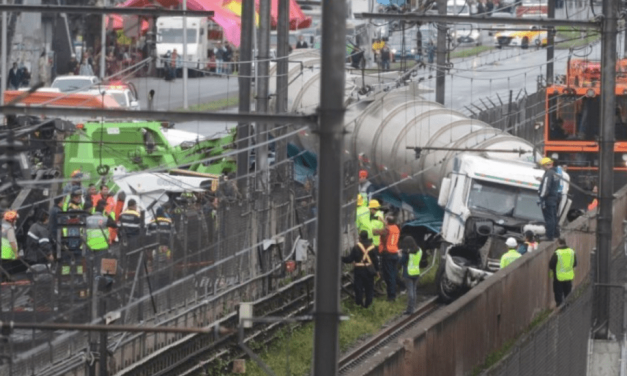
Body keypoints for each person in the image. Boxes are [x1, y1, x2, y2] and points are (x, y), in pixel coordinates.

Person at [341, 230, 379, 308]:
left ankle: (359, 305)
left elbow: (349, 259)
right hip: (369, 271)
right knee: (369, 288)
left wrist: (341, 258)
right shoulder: (372, 247)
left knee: (358, 288)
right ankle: (368, 305)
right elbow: (376, 261)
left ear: (360, 237)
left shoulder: (356, 247)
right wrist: (377, 271)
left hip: (359, 271)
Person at [373, 216, 401, 301]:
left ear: (387, 222)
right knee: (393, 274)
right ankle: (396, 291)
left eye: (385, 219)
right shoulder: (396, 228)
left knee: (389, 276)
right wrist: (385, 223)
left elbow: (375, 232)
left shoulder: (387, 230)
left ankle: (391, 296)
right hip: (395, 253)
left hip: (387, 254)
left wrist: (382, 223)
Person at [86, 199, 117, 274]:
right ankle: (99, 279)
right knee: (100, 266)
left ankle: (90, 279)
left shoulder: (88, 219)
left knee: (89, 265)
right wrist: (108, 214)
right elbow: (114, 225)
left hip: (90, 246)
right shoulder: (105, 219)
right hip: (102, 246)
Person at [147, 207, 174, 288]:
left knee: (153, 263)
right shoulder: (168, 222)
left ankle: (154, 279)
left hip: (155, 247)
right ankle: (168, 279)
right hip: (166, 247)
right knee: (168, 262)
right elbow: (173, 234)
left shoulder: (151, 222)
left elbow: (148, 235)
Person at [538, 157, 561, 241]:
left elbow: (546, 187)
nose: (542, 167)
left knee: (549, 218)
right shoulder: (555, 173)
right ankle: (556, 233)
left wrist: (541, 198)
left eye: (543, 165)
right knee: (554, 217)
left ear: (546, 165)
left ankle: (549, 236)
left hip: (548, 199)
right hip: (554, 198)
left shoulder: (548, 173)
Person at [549, 238, 577, 305]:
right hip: (568, 276)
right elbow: (575, 263)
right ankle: (568, 306)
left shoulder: (557, 253)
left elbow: (551, 265)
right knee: (568, 293)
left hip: (559, 277)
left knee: (558, 293)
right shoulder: (571, 252)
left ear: (559, 243)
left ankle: (560, 307)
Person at [400, 236, 422, 314]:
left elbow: (402, 262)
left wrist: (400, 255)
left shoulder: (407, 253)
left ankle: (410, 309)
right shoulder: (419, 250)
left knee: (410, 292)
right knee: (414, 291)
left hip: (408, 273)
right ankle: (413, 307)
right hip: (416, 273)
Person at [1, 210, 24, 279]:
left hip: (3, 251)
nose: (16, 221)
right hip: (8, 252)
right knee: (8, 269)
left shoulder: (3, 227)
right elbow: (12, 242)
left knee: (3, 268)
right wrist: (16, 253)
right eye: (15, 219)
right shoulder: (9, 229)